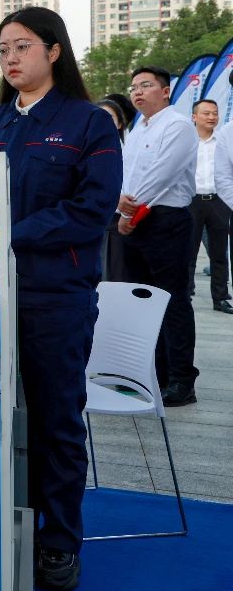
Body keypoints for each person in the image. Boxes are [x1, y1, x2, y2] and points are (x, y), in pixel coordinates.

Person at [0, 6, 121, 591]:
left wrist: (9, 234)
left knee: (55, 421)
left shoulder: (88, 123)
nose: (9, 57)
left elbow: (92, 210)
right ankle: (4, 523)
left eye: (22, 45)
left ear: (54, 51)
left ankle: (59, 542)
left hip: (55, 297)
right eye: (3, 47)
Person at [117, 66, 199, 407]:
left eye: (146, 85)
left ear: (165, 91)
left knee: (172, 300)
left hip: (166, 220)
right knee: (142, 301)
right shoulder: (138, 129)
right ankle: (150, 375)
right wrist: (120, 203)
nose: (137, 91)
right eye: (134, 86)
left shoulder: (178, 125)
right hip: (135, 220)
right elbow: (125, 172)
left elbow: (162, 175)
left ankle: (181, 380)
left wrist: (128, 212)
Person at [188, 99, 233, 313]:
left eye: (215, 113)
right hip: (192, 201)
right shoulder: (186, 142)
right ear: (194, 116)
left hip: (218, 201)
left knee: (219, 253)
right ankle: (185, 293)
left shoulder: (223, 140)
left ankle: (221, 297)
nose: (211, 117)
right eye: (206, 113)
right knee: (188, 251)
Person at [95, 98, 130, 282]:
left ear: (120, 123)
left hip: (118, 220)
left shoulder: (128, 149)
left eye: (109, 117)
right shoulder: (86, 149)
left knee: (115, 275)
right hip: (93, 220)